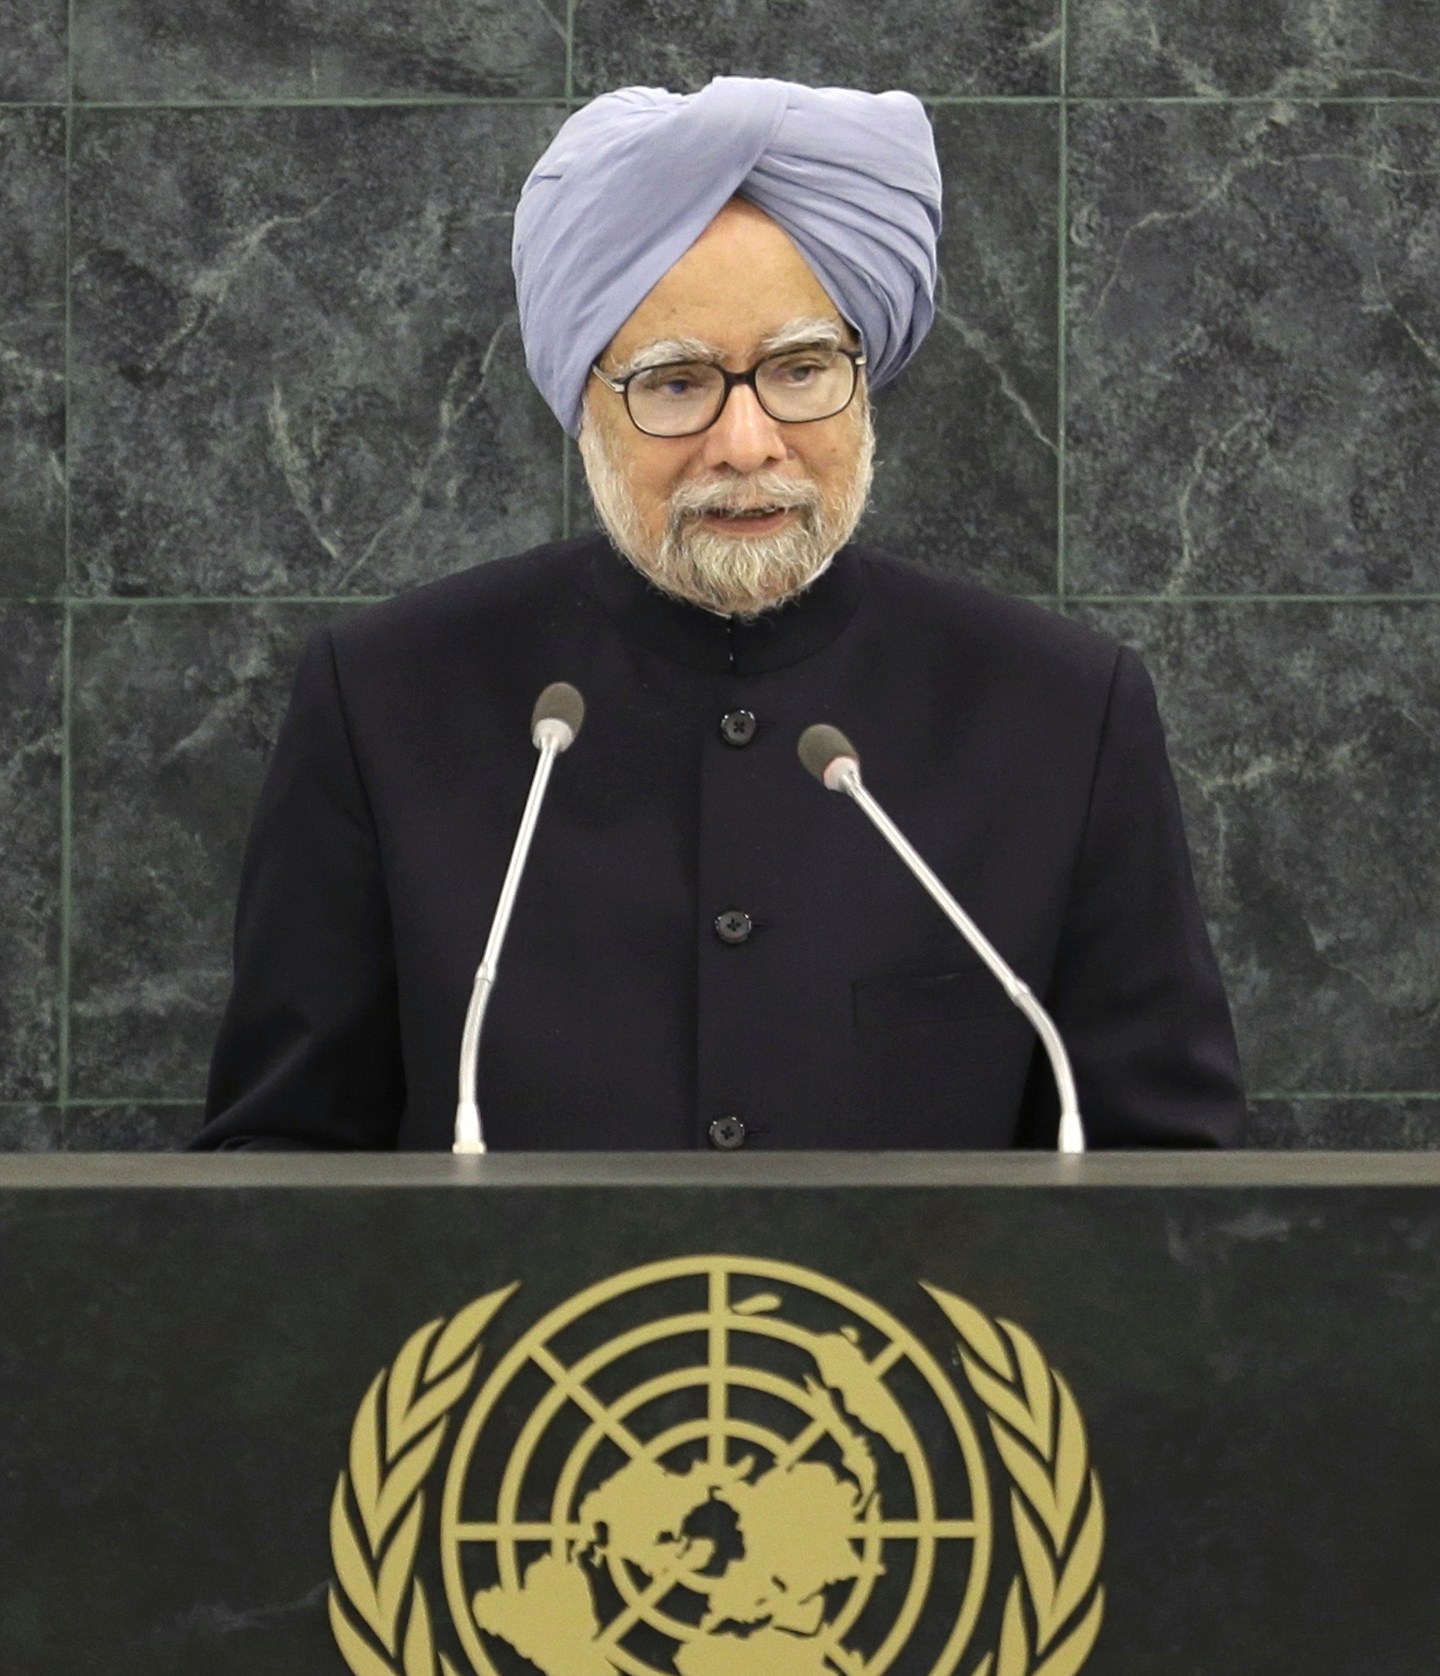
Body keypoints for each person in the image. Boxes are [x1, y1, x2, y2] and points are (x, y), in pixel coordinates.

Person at [194, 77, 1244, 1154]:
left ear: (863, 378)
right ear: (585, 404)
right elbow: (279, 1173)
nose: (747, 442)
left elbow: (1173, 1189)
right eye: (677, 382)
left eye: (799, 369)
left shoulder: (1060, 713)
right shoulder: (387, 702)